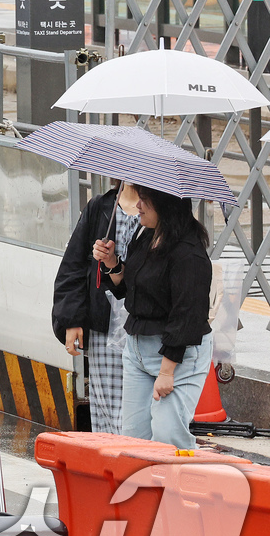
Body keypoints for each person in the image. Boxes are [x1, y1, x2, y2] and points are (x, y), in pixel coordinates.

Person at [94, 185, 212, 450]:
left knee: (168, 435)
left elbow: (187, 316)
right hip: (137, 348)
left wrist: (167, 372)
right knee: (134, 438)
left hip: (176, 354)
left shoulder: (189, 253)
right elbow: (129, 289)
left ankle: (177, 489)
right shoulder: (146, 234)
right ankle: (145, 491)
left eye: (145, 201)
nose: (138, 206)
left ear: (165, 206)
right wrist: (112, 262)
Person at [52, 181, 141, 433]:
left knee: (136, 414)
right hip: (106, 327)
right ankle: (112, 467)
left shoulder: (157, 212)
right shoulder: (101, 207)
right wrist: (71, 319)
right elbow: (74, 265)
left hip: (145, 326)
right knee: (107, 410)